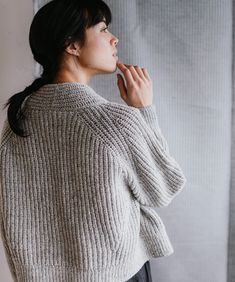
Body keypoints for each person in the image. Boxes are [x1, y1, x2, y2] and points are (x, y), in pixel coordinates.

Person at [0, 0, 187, 281]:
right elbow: (162, 188)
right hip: (118, 275)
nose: (115, 38)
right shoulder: (113, 121)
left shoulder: (16, 123)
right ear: (71, 45)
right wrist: (144, 111)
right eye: (103, 29)